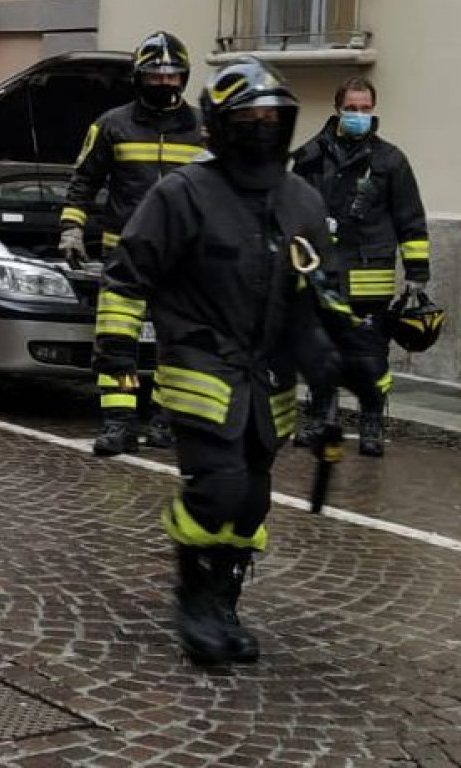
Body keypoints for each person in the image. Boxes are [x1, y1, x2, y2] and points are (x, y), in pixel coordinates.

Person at [93, 59, 358, 667]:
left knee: (253, 498)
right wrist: (117, 355)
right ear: (220, 125)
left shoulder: (301, 200)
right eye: (249, 118)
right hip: (201, 365)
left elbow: (318, 292)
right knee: (218, 487)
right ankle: (193, 597)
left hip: (268, 378)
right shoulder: (182, 194)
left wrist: (329, 357)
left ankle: (224, 599)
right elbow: (127, 277)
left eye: (272, 118)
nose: (262, 128)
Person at [61, 31, 206, 455]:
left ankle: (165, 422)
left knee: (178, 344)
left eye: (172, 76)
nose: (164, 83)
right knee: (116, 341)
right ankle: (119, 424)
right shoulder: (112, 125)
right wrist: (72, 228)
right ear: (139, 77)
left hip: (184, 256)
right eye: (155, 76)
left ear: (184, 77)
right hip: (125, 254)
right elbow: (84, 180)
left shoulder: (203, 129)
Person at [289, 76, 430, 456]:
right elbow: (290, 211)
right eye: (352, 109)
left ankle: (371, 424)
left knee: (370, 357)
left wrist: (417, 272)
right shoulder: (309, 156)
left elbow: (411, 219)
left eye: (366, 109)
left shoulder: (390, 160)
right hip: (322, 275)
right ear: (338, 109)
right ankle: (320, 418)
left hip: (371, 276)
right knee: (321, 351)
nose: (359, 115)